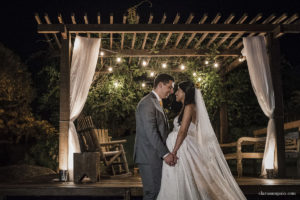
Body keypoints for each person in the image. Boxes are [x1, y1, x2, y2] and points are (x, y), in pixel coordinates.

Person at [157, 81, 246, 200]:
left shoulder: (190, 107)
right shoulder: (185, 107)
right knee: (190, 180)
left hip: (185, 149)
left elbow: (183, 132)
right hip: (183, 149)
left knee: (202, 181)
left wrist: (174, 151)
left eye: (178, 90)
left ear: (185, 93)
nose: (176, 93)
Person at [134, 73, 177, 200]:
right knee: (152, 193)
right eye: (169, 87)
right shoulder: (147, 103)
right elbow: (151, 132)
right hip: (149, 156)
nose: (171, 91)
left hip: (154, 155)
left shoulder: (156, 102)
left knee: (157, 192)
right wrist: (165, 154)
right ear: (160, 85)